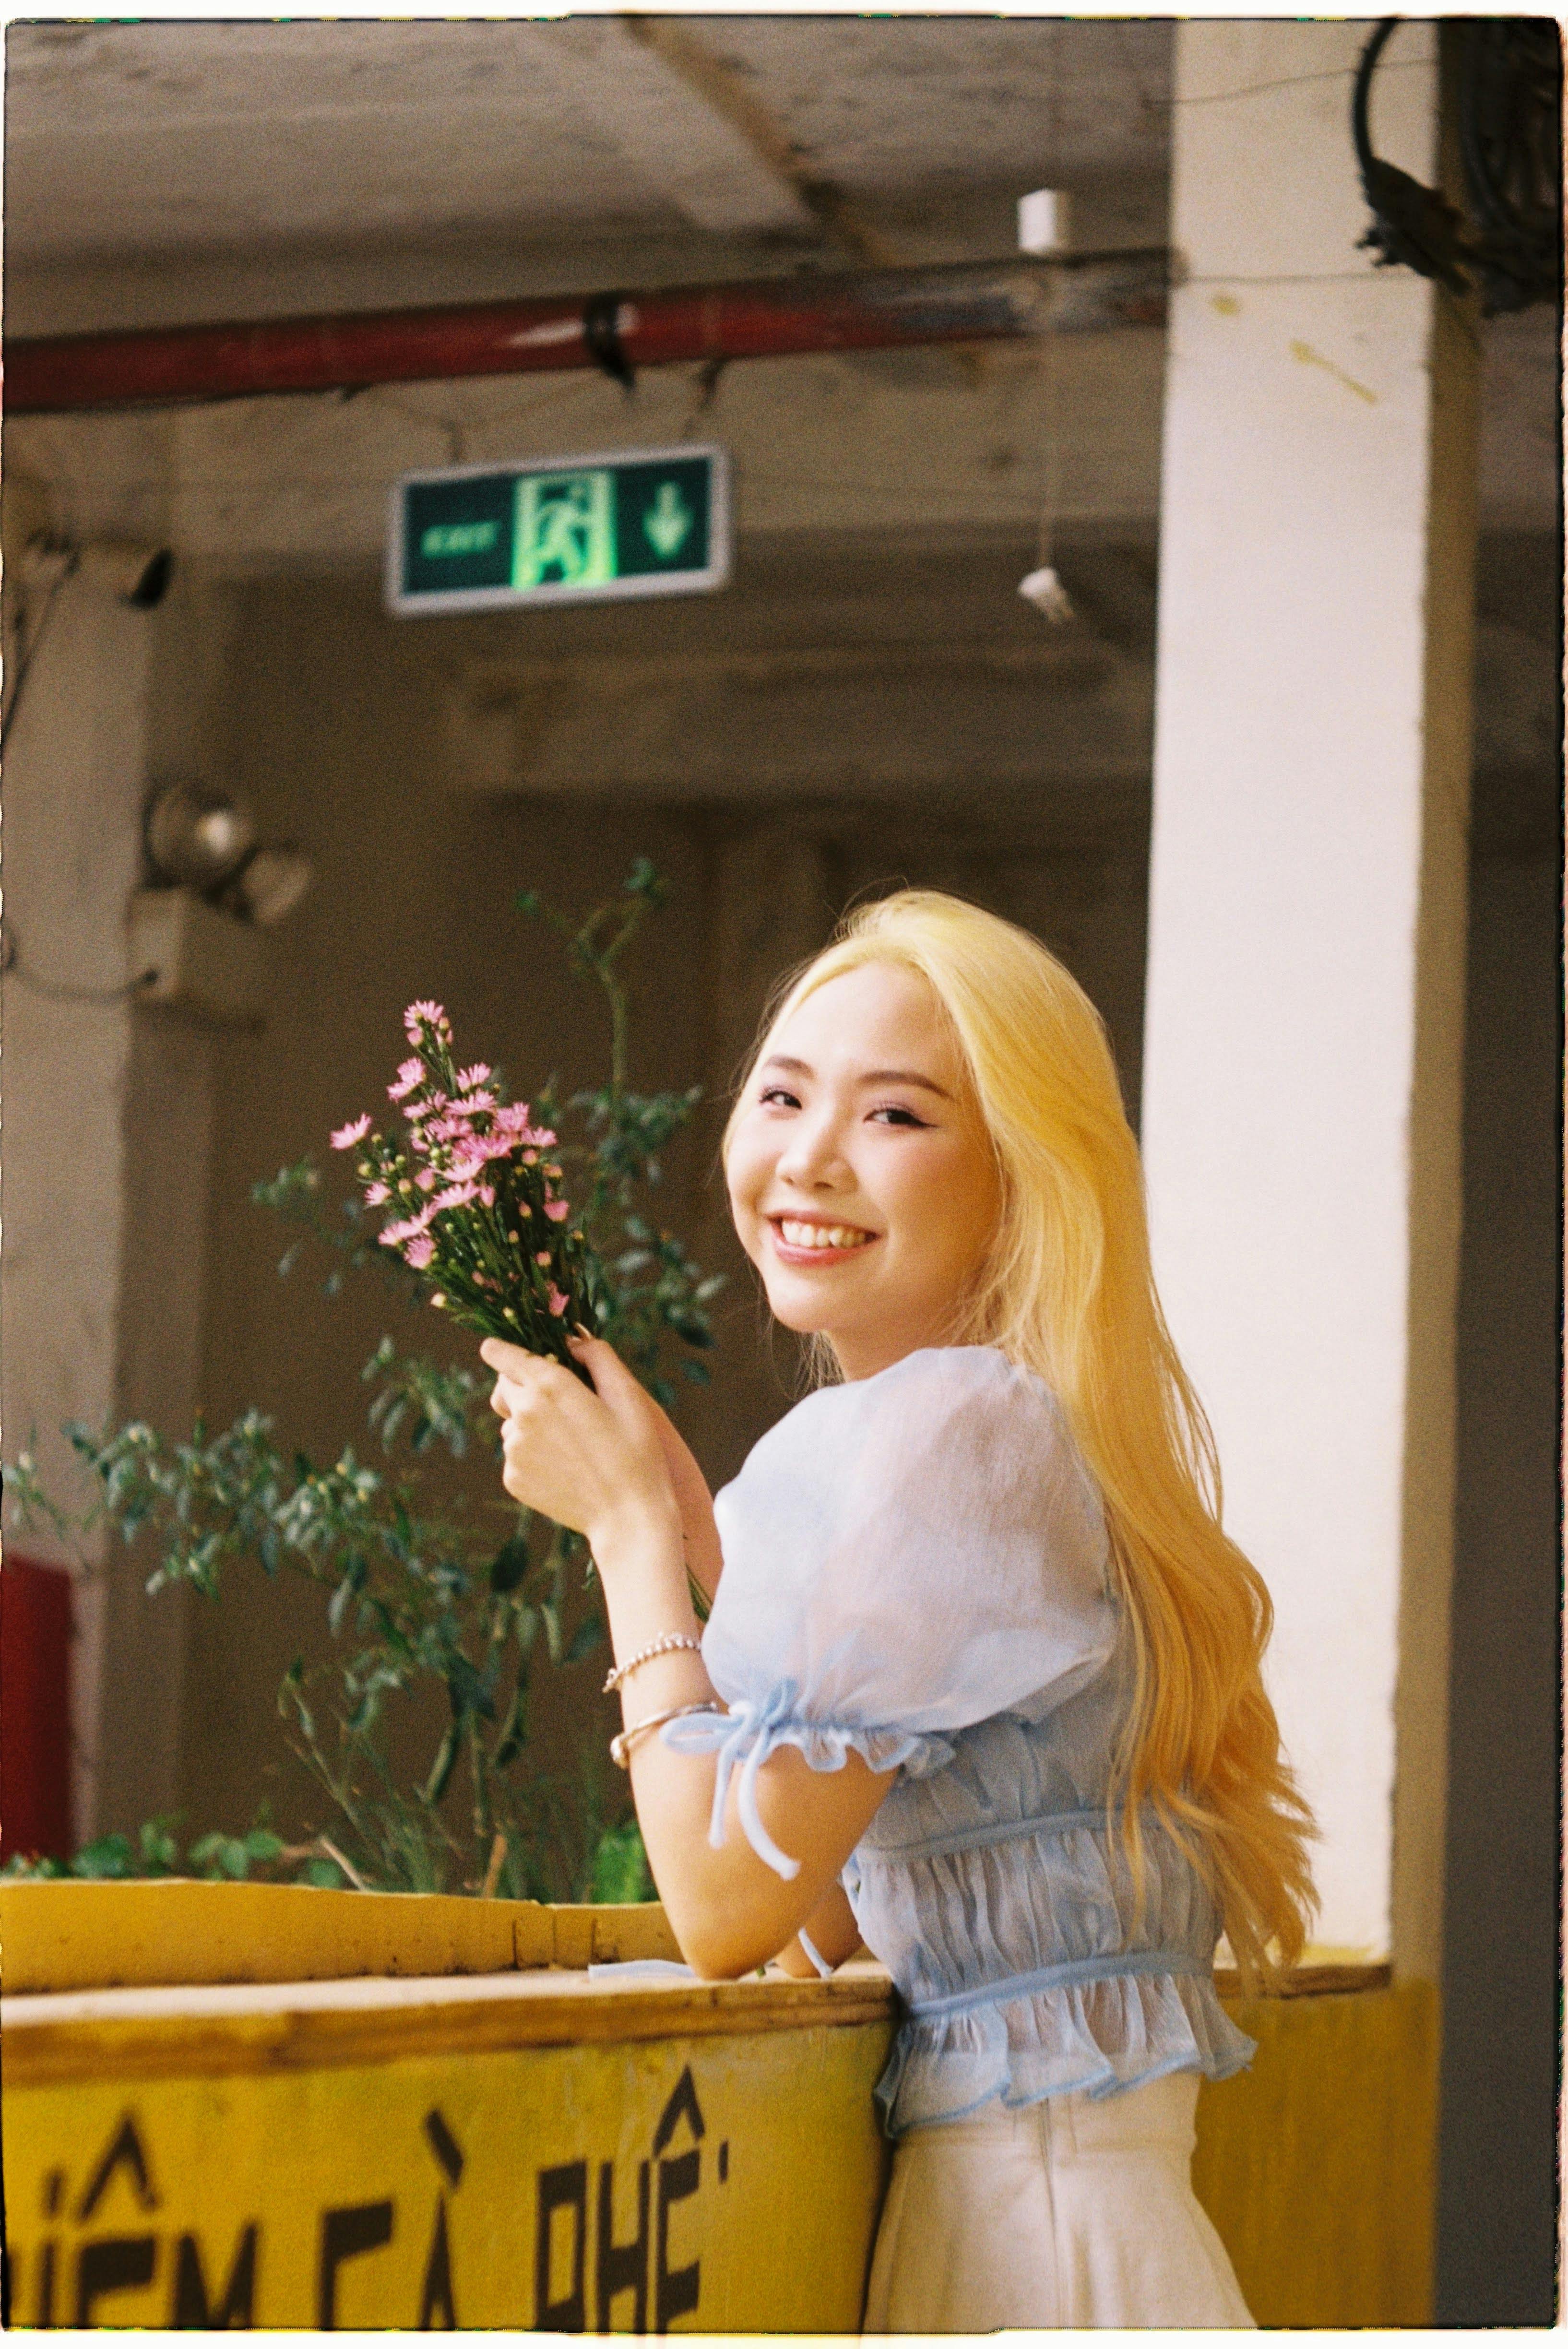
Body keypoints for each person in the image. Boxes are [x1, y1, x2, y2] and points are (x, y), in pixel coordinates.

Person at [482, 887, 1316, 2332]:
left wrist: (624, 1538)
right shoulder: (1013, 1435)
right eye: (784, 1094)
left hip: (1024, 2258)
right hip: (1082, 2243)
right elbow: (835, 1903)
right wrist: (693, 1529)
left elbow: (727, 1910)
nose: (807, 1159)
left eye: (896, 1117)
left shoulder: (940, 1436)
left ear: (1017, 1174)